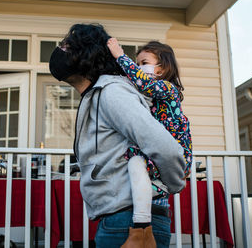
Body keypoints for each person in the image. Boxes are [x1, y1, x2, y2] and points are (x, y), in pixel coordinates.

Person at [49, 23, 186, 248]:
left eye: (67, 47)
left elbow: (165, 147)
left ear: (86, 55)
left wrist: (174, 183)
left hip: (132, 223)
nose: (60, 51)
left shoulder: (112, 92)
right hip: (120, 220)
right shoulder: (101, 94)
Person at [107, 38, 193, 247]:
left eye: (144, 62)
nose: (138, 67)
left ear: (161, 69)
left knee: (135, 163)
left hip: (172, 151)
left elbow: (142, 81)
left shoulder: (167, 88)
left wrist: (120, 55)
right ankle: (151, 195)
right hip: (158, 154)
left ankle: (141, 228)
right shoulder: (151, 96)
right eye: (137, 63)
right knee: (138, 170)